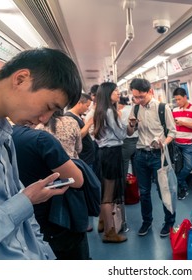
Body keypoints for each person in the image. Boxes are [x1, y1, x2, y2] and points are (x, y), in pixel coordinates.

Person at [0, 47, 82, 259]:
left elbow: (26, 222)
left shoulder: (5, 134)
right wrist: (25, 201)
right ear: (21, 79)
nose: (45, 119)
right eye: (49, 106)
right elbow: (20, 204)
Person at [12, 125, 88, 259]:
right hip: (57, 218)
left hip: (21, 221)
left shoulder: (4, 139)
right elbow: (77, 180)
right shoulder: (40, 139)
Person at [127, 78, 176, 237]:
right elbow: (129, 133)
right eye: (135, 97)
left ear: (150, 92)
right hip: (141, 155)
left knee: (164, 191)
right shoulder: (135, 109)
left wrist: (163, 143)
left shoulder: (162, 108)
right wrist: (132, 125)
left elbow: (172, 132)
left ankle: (169, 222)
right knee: (144, 192)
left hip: (158, 155)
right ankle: (146, 222)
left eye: (141, 97)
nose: (138, 100)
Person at [93, 82, 127, 243]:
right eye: (115, 91)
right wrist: (123, 120)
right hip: (112, 153)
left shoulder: (99, 111)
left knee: (106, 190)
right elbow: (121, 135)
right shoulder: (110, 112)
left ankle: (102, 222)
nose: (118, 93)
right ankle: (109, 232)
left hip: (104, 153)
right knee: (108, 195)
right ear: (108, 94)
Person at [172, 87, 192, 200]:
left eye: (179, 99)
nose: (178, 102)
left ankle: (177, 181)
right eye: (176, 100)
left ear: (185, 97)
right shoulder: (174, 110)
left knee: (189, 165)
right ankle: (183, 188)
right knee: (178, 167)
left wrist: (183, 123)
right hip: (176, 143)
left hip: (188, 143)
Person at [65, 93, 95, 169]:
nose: (87, 109)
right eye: (87, 106)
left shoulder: (78, 116)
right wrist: (88, 124)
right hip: (83, 158)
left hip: (87, 156)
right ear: (79, 103)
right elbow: (78, 136)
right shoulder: (69, 117)